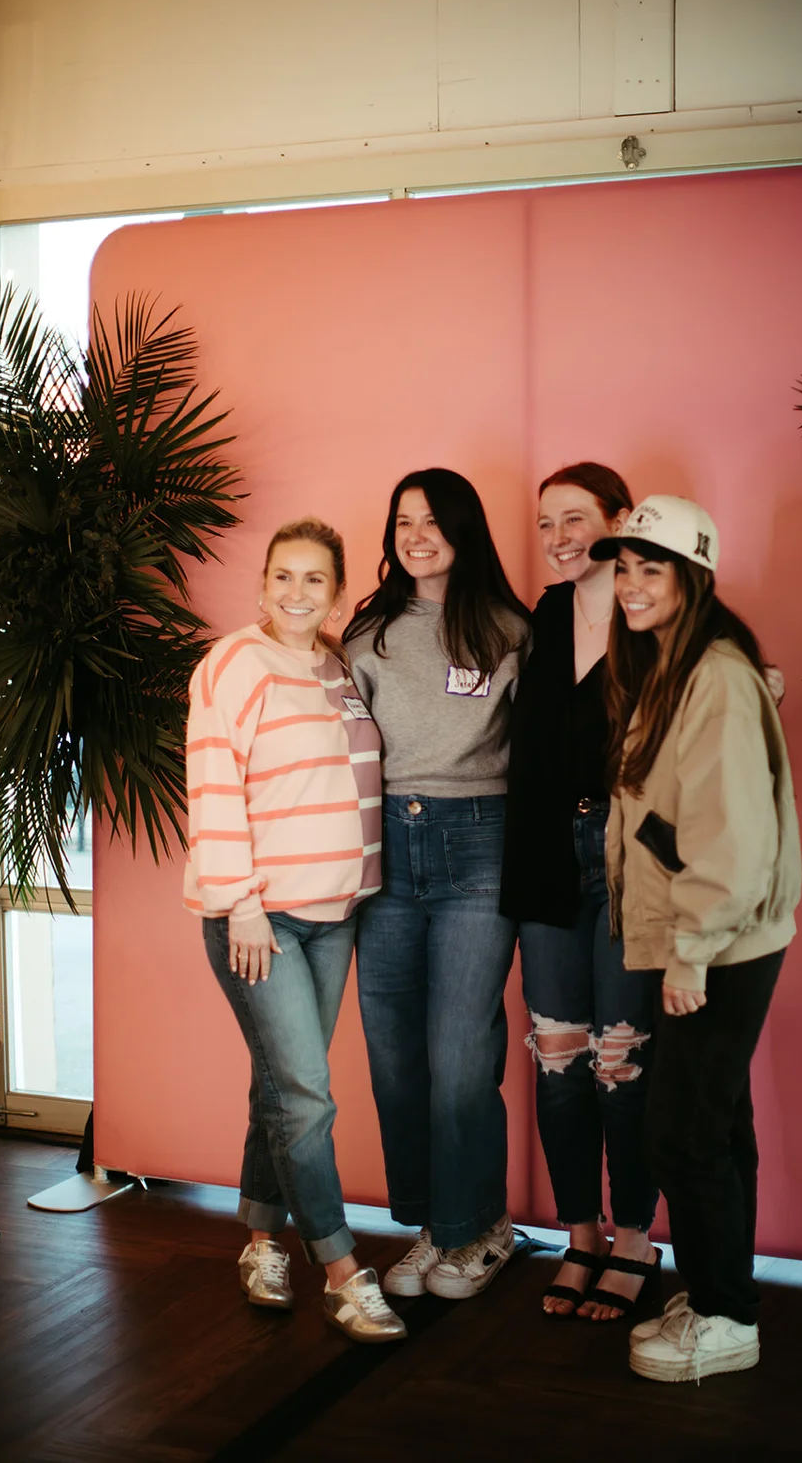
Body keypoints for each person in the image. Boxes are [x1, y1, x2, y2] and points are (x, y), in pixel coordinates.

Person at [592, 495, 801, 1382]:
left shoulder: (711, 675)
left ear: (693, 577)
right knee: (718, 1126)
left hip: (718, 943)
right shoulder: (675, 666)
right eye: (626, 567)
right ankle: (727, 1296)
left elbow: (730, 836)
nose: (632, 585)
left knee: (682, 1134)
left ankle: (724, 1315)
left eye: (653, 568)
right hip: (717, 937)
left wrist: (691, 951)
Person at [183, 517, 406, 1344]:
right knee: (307, 1094)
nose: (297, 593)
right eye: (284, 576)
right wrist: (239, 901)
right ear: (263, 583)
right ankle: (343, 1271)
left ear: (336, 591)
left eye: (315, 579)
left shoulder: (341, 665)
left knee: (279, 1087)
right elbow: (211, 785)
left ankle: (259, 1239)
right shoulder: (235, 664)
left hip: (336, 914)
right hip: (261, 918)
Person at [345, 468, 529, 1300]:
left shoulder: (508, 629)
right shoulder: (369, 631)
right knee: (394, 1058)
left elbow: (547, 746)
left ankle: (480, 1228)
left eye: (431, 521)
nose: (414, 536)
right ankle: (434, 1226)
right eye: (402, 522)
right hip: (386, 850)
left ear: (464, 529)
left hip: (478, 847)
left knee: (461, 1056)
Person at [501, 463, 662, 1321]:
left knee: (622, 1060)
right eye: (547, 525)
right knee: (560, 1062)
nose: (560, 538)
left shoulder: (657, 619)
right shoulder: (544, 618)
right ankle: (581, 1236)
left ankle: (636, 1237)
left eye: (575, 520)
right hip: (546, 861)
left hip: (629, 860)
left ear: (619, 521)